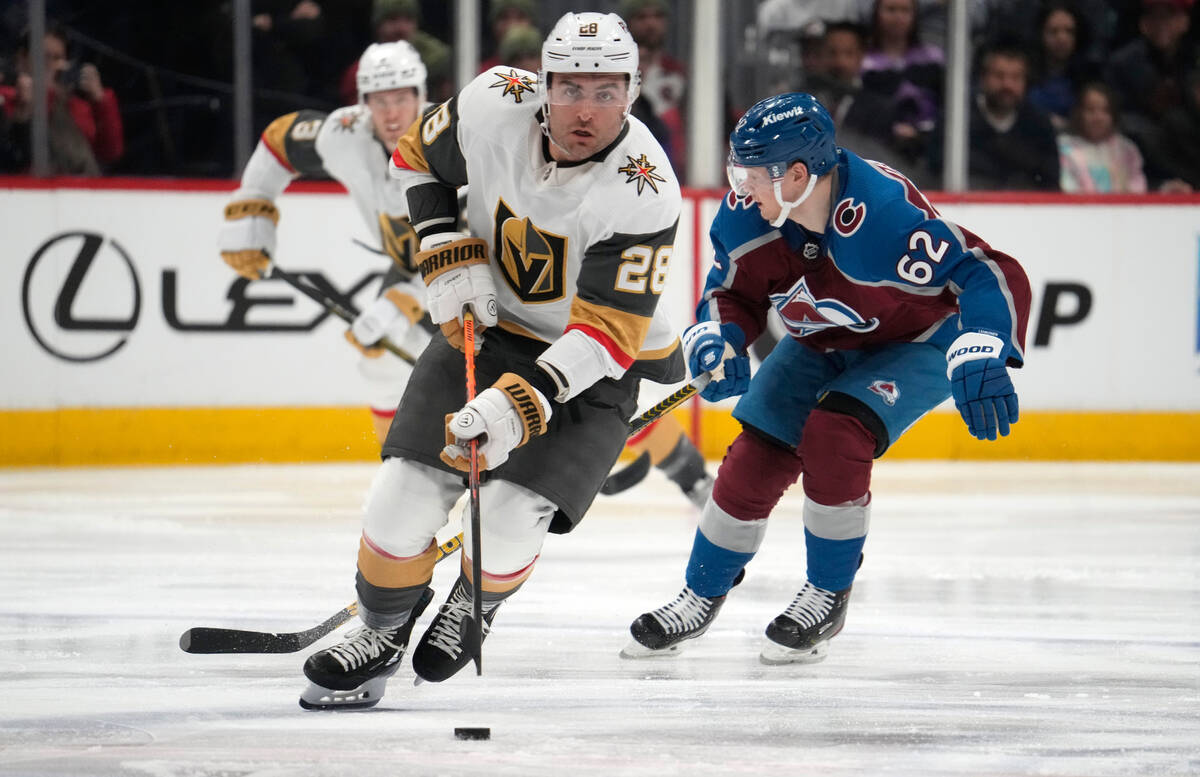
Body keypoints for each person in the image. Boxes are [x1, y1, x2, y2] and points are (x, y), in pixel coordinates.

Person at [299, 11, 684, 709]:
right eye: (571, 88)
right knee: (398, 500)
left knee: (508, 517)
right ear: (542, 83)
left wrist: (518, 402)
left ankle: (475, 601)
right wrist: (444, 245)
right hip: (489, 329)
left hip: (589, 360)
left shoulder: (644, 186)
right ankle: (382, 630)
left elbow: (604, 334)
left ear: (630, 92)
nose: (586, 111)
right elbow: (416, 156)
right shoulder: (491, 102)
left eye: (606, 92)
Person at [621, 92, 1031, 665]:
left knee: (835, 435)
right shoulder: (748, 217)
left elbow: (986, 270)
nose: (740, 188)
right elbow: (729, 295)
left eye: (750, 173)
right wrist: (719, 337)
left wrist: (982, 341)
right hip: (825, 339)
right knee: (754, 456)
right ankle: (701, 592)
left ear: (795, 174)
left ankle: (826, 593)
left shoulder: (882, 217)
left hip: (914, 342)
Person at [218, 41, 434, 446]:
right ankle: (402, 476)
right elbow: (282, 139)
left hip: (479, 273)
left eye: (402, 98)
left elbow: (477, 246)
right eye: (379, 100)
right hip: (411, 267)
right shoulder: (344, 134)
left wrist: (405, 301)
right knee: (382, 367)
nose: (391, 114)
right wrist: (252, 204)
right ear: (362, 102)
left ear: (421, 96)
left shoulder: (455, 147)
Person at [932, 40, 1060, 190]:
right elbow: (936, 169)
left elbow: (1051, 181)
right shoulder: (957, 118)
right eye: (999, 76)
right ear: (983, 78)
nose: (1007, 85)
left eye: (1016, 77)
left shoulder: (1039, 125)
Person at [0, 22, 123, 174]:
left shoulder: (76, 106)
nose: (50, 64)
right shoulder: (8, 97)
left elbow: (110, 152)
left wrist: (101, 102)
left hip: (78, 188)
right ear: (22, 58)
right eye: (43, 56)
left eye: (57, 57)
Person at [1057, 81, 1148, 192]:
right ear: (1079, 113)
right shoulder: (1064, 147)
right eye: (1091, 110)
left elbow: (1137, 187)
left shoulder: (1127, 149)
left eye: (1105, 111)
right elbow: (1066, 186)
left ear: (1113, 115)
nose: (1098, 118)